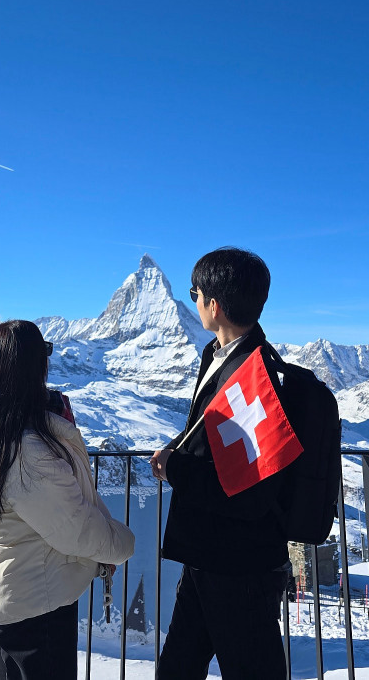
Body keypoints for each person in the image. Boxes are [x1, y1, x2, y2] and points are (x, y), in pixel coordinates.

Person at [0, 319, 134, 680]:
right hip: (37, 605)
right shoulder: (30, 453)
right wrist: (122, 544)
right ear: (34, 368)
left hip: (8, 595)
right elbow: (76, 528)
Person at [150, 247, 290, 680]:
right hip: (208, 553)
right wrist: (177, 451)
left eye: (194, 294)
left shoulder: (255, 378)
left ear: (214, 305)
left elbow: (248, 486)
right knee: (176, 668)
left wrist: (175, 469)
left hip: (240, 565)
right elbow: (210, 438)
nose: (192, 302)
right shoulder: (220, 357)